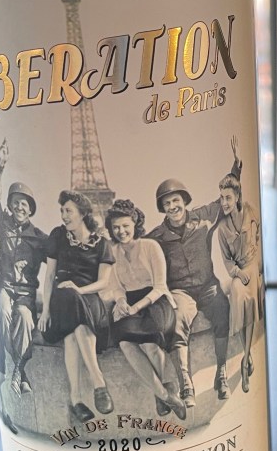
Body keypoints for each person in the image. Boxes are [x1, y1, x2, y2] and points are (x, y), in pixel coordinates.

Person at [148, 139, 242, 409]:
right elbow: (136, 251)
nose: (172, 206)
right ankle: (186, 384)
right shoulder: (156, 236)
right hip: (181, 291)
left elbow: (226, 197)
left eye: (176, 200)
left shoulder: (203, 217)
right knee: (178, 321)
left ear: (184, 201)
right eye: (167, 203)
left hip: (208, 286)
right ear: (162, 208)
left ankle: (221, 374)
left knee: (222, 310)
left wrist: (236, 168)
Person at [0, 138, 46, 401]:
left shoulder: (38, 238)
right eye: (16, 202)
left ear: (30, 211)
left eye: (24, 204)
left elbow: (60, 255)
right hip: (5, 287)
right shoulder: (2, 224)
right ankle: (20, 371)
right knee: (3, 311)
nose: (19, 207)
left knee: (25, 319)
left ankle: (17, 369)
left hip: (26, 293)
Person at [105, 199, 186, 422]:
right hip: (130, 302)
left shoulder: (151, 246)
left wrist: (136, 307)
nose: (121, 231)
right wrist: (121, 301)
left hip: (156, 301)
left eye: (125, 226)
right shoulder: (112, 252)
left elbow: (160, 286)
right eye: (116, 227)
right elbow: (116, 287)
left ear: (135, 224)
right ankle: (166, 395)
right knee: (124, 342)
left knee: (150, 343)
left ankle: (161, 396)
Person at [39, 190, 114, 423]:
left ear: (82, 214)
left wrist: (80, 290)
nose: (63, 215)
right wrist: (45, 310)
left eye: (68, 211)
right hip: (62, 299)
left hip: (89, 298)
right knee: (70, 297)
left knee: (73, 333)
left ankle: (76, 400)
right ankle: (98, 382)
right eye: (62, 210)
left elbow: (104, 282)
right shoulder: (58, 236)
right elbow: (49, 276)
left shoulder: (102, 243)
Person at [217, 173, 262, 394]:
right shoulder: (222, 228)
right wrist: (237, 273)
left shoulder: (250, 210)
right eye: (222, 198)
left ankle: (244, 363)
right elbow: (226, 259)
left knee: (250, 298)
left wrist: (256, 262)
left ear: (237, 196)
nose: (224, 202)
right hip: (239, 271)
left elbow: (259, 232)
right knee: (237, 293)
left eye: (228, 197)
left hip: (252, 265)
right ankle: (248, 354)